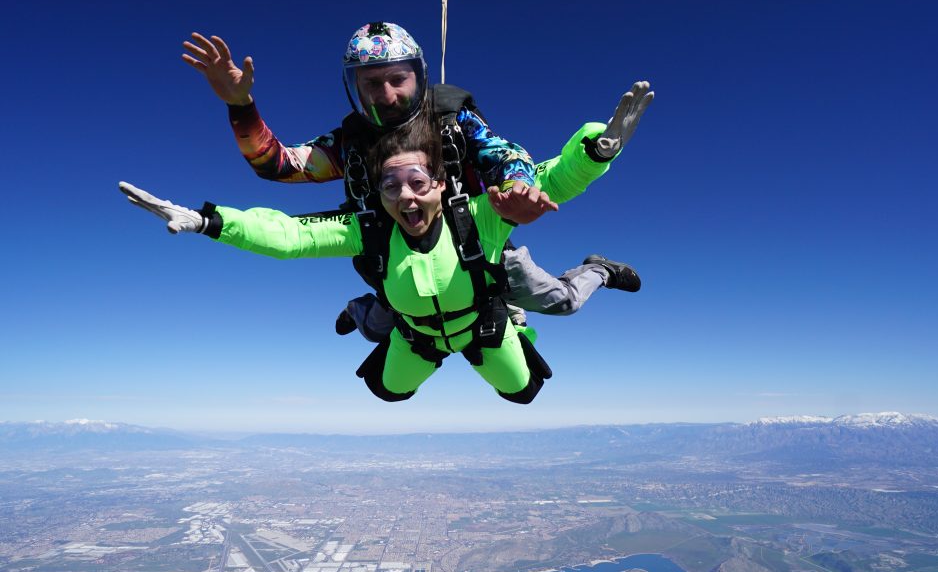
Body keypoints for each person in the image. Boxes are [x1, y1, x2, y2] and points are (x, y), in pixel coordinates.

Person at [119, 98, 636, 404]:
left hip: (483, 325)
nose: (405, 196)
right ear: (377, 192)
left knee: (524, 389)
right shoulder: (369, 229)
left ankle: (596, 272)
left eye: (417, 182)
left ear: (441, 184)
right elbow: (289, 237)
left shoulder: (479, 214)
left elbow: (550, 179)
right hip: (419, 334)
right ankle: (362, 311)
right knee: (388, 390)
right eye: (391, 186)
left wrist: (596, 148)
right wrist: (210, 221)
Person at [181, 23, 648, 342]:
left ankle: (599, 269)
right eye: (371, 85)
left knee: (563, 303)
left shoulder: (451, 122)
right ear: (355, 88)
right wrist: (241, 105)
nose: (386, 95)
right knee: (389, 324)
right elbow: (277, 165)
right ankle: (359, 308)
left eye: (397, 79)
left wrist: (516, 190)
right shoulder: (351, 143)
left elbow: (505, 157)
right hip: (395, 258)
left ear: (418, 77)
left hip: (477, 249)